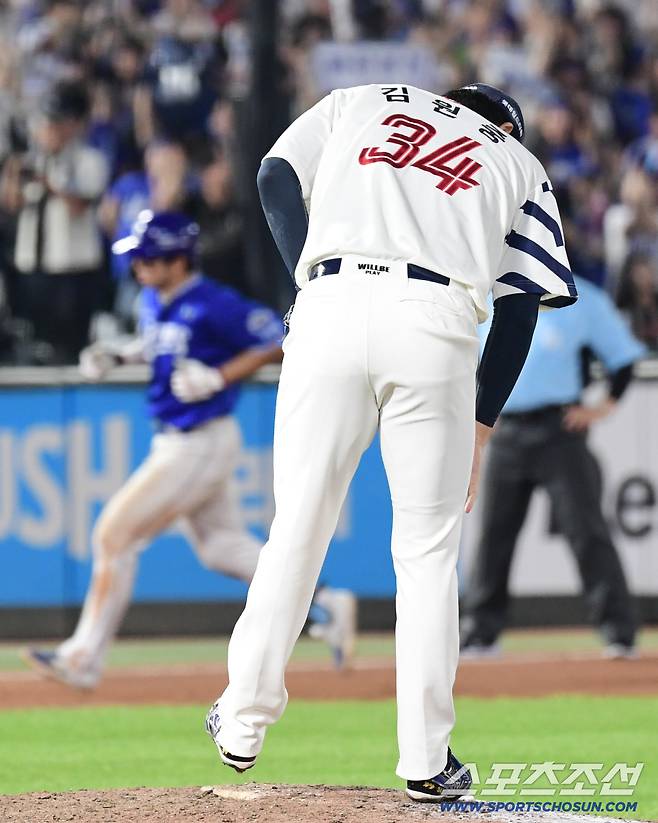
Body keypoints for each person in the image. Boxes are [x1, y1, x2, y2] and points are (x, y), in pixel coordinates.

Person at [204, 83, 577, 802]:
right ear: (504, 122)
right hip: (435, 320)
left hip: (330, 302)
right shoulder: (516, 161)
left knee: (298, 526)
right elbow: (521, 305)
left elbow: (273, 176)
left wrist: (306, 286)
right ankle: (426, 759)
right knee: (428, 551)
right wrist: (479, 424)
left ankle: (243, 720)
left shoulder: (364, 100)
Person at [23, 211, 356, 689]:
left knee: (113, 537)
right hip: (182, 438)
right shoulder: (154, 300)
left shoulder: (213, 301)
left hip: (200, 438)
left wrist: (221, 375)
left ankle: (82, 658)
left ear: (178, 260)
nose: (138, 265)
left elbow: (283, 336)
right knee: (221, 548)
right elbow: (160, 344)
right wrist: (120, 354)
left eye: (148, 256)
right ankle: (325, 599)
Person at [460, 275, 646, 659]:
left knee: (587, 531)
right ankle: (480, 633)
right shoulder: (487, 291)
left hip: (558, 432)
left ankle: (619, 633)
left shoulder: (583, 298)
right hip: (504, 429)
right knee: (494, 535)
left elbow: (625, 361)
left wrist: (600, 409)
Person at [0, 80, 109, 363]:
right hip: (34, 267)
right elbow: (11, 204)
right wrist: (13, 171)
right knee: (34, 342)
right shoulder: (30, 161)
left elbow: (80, 205)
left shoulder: (87, 159)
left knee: (70, 345)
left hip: (73, 269)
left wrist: (48, 181)